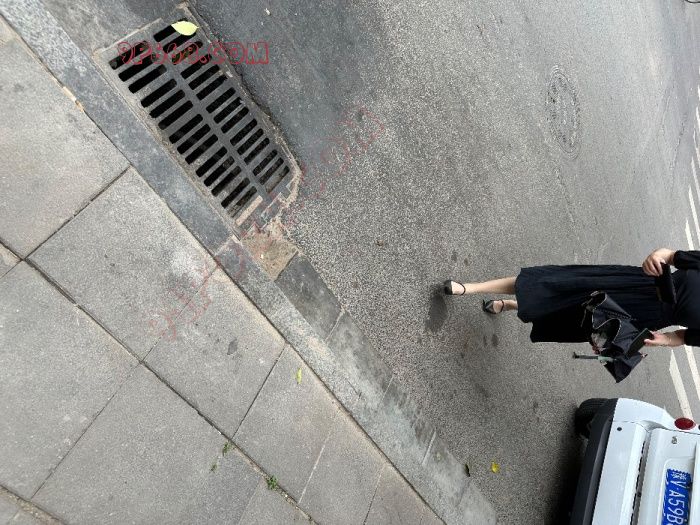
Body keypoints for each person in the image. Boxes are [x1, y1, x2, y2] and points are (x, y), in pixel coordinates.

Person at [443, 248, 700, 348]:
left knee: (564, 316)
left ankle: (511, 305)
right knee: (552, 284)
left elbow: (681, 337)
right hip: (633, 282)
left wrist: (663, 340)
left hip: (635, 317)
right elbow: (670, 255)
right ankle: (470, 288)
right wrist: (657, 257)